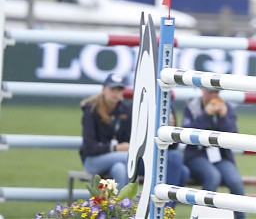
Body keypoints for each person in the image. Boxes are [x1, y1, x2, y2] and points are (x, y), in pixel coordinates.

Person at [79, 73, 189, 193]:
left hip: (119, 160)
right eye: (112, 89)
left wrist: (167, 129)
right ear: (103, 89)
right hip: (93, 160)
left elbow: (130, 139)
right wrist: (115, 147)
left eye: (119, 89)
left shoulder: (125, 110)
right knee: (132, 157)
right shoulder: (91, 111)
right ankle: (151, 196)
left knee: (120, 169)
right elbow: (89, 147)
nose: (116, 93)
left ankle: (120, 209)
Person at [183, 87, 245, 219]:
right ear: (202, 90)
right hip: (196, 156)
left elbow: (233, 137)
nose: (214, 95)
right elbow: (187, 134)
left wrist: (223, 117)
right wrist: (206, 114)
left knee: (236, 182)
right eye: (210, 92)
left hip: (220, 156)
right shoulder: (192, 106)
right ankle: (203, 216)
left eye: (216, 92)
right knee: (213, 176)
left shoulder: (226, 107)